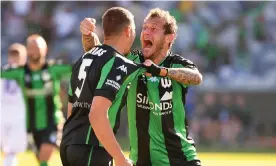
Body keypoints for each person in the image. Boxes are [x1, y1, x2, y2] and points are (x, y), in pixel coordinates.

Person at [80, 8, 203, 166]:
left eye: (153, 29)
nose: (146, 32)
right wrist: (88, 35)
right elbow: (96, 54)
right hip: (142, 161)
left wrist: (161, 71)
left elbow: (196, 77)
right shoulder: (131, 60)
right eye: (144, 27)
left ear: (169, 37)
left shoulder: (176, 64)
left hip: (181, 158)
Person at [60, 7, 165, 166]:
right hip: (92, 148)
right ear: (129, 31)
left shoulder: (83, 59)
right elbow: (96, 114)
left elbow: (71, 110)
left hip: (69, 144)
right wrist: (120, 158)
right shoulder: (118, 63)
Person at [1, 35, 72, 166]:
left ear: (45, 50)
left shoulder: (53, 69)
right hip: (31, 124)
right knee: (41, 161)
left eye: (38, 48)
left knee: (44, 157)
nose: (35, 51)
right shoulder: (19, 72)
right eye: (31, 48)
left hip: (52, 121)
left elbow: (77, 69)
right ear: (27, 50)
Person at [1, 43, 27, 166]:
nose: (15, 59)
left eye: (18, 56)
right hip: (3, 114)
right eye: (13, 56)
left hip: (18, 116)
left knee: (12, 150)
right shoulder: (3, 73)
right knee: (5, 147)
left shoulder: (27, 74)